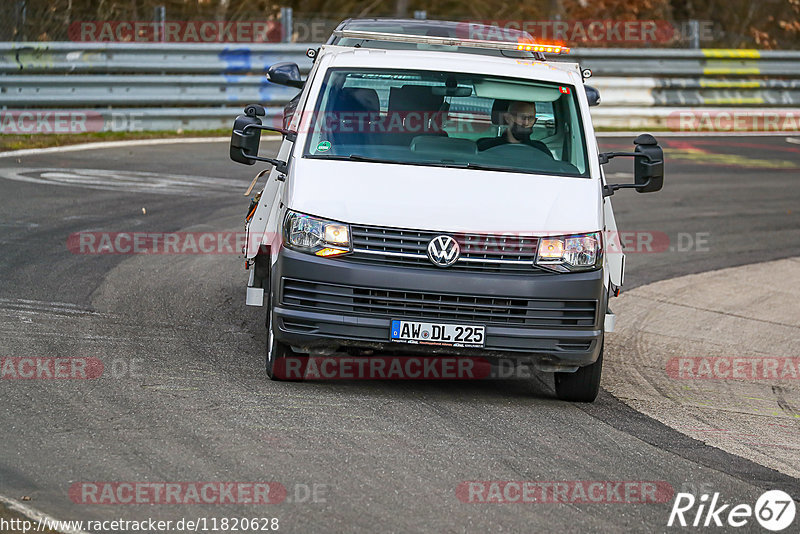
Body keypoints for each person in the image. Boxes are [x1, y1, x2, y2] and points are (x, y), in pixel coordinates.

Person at [477, 101, 550, 155]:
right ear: (507, 118)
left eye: (530, 118)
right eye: (521, 117)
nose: (526, 123)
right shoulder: (485, 147)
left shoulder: (541, 151)